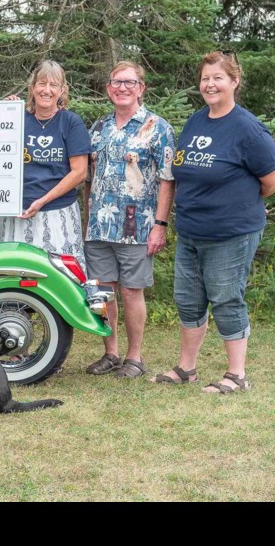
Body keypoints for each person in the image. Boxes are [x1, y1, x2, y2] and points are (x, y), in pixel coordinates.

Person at [153, 50, 275, 393]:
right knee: (188, 299)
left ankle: (237, 375)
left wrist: (238, 202)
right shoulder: (196, 121)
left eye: (218, 78)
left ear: (234, 82)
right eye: (205, 78)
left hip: (231, 233)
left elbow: (272, 179)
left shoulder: (248, 129)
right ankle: (186, 368)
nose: (210, 84)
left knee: (226, 297)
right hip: (192, 231)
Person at [83, 62, 175, 378]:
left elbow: (167, 179)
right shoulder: (98, 128)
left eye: (129, 82)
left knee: (131, 291)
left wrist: (160, 225)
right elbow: (86, 179)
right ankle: (110, 352)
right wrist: (85, 221)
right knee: (102, 292)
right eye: (116, 82)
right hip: (98, 226)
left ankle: (134, 358)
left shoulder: (157, 127)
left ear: (141, 88)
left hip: (137, 226)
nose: (122, 88)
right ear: (108, 89)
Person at [0, 60, 91, 269]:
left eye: (53, 85)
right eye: (41, 84)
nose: (46, 90)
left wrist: (42, 201)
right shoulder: (16, 118)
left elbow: (79, 172)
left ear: (62, 91)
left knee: (57, 277)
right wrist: (3, 112)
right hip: (16, 216)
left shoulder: (71, 122)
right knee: (13, 277)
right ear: (32, 88)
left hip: (57, 216)